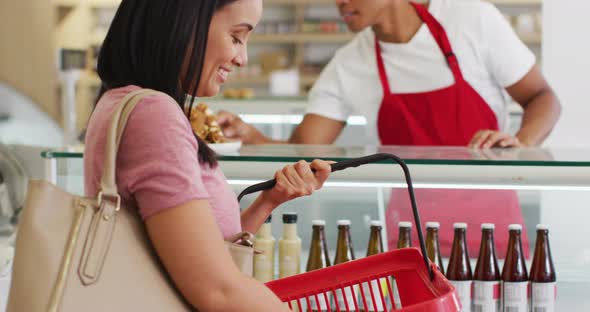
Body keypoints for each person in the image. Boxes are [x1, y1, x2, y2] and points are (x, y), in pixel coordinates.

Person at [217, 0, 561, 256]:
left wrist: (520, 141)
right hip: (409, 239)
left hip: (491, 232)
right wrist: (251, 137)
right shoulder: (351, 61)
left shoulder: (470, 18)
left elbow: (543, 97)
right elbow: (305, 149)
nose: (339, 3)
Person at [83, 1, 332, 311]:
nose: (242, 58)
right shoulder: (153, 115)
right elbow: (219, 291)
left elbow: (199, 254)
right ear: (185, 22)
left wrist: (268, 201)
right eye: (236, 37)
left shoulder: (122, 100)